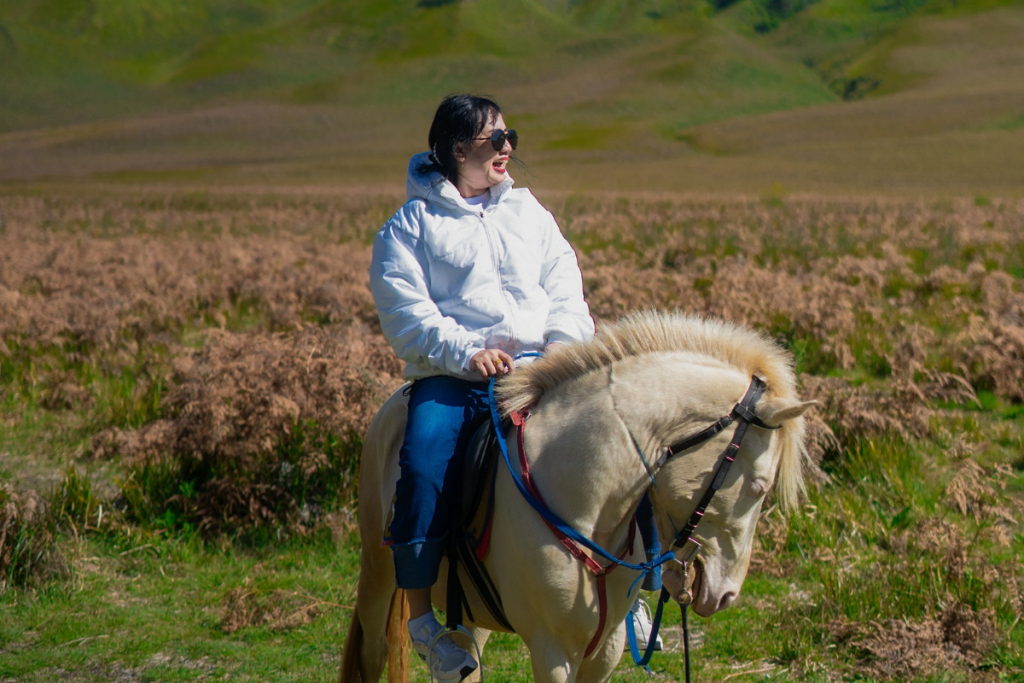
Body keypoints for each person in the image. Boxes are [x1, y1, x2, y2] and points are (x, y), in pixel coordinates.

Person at [369, 94, 655, 682]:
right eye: (493, 139)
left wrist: (561, 348)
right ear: (456, 150)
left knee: (623, 440)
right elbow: (407, 313)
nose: (507, 149)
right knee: (422, 465)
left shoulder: (531, 214)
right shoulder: (409, 227)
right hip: (454, 377)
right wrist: (468, 353)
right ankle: (425, 623)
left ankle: (637, 588)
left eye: (509, 138)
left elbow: (565, 285)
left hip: (543, 368)